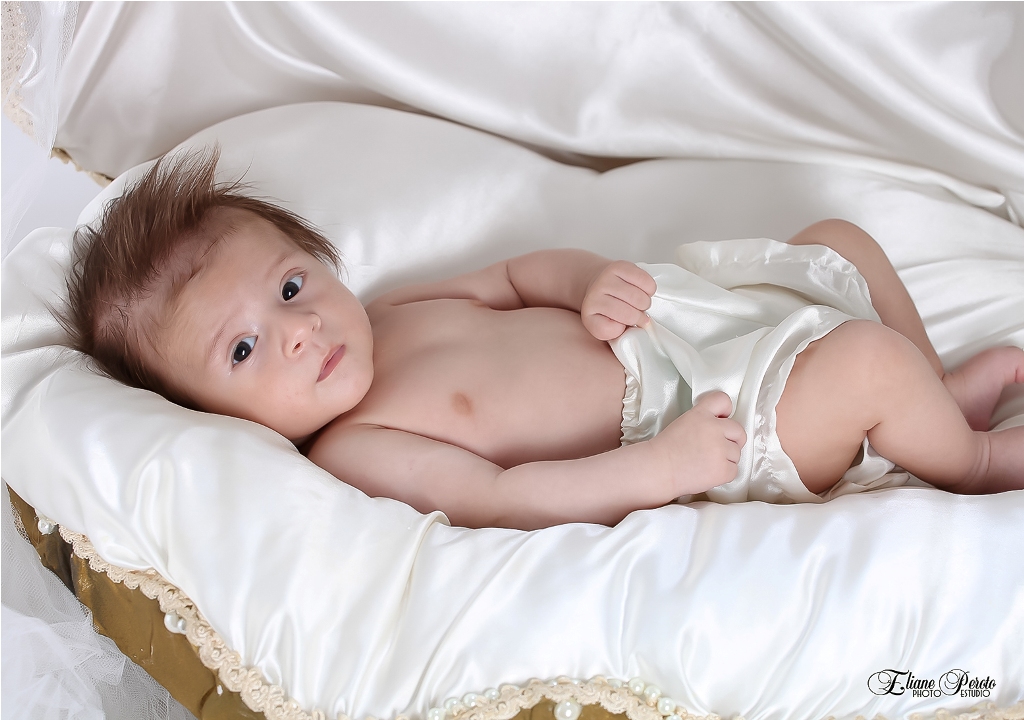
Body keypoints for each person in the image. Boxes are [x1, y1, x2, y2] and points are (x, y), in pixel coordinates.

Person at [61, 150, 1024, 530]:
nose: (300, 333)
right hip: (705, 420)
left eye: (289, 287)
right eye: (243, 352)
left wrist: (588, 281)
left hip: (689, 328)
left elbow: (519, 277)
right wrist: (661, 468)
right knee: (865, 365)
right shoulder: (355, 449)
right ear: (214, 418)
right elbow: (503, 496)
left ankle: (931, 402)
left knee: (840, 244)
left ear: (318, 259)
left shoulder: (393, 308)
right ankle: (971, 461)